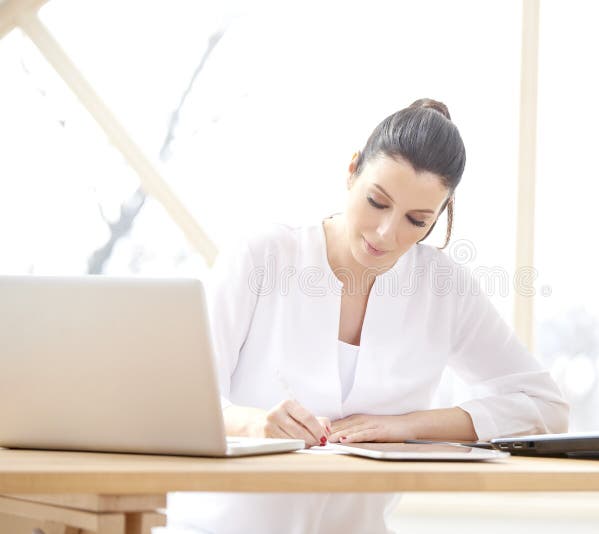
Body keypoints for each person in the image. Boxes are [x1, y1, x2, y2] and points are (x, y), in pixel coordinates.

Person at [165, 98, 569, 534]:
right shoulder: (263, 256)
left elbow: (545, 408)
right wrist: (254, 424)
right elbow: (178, 401)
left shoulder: (443, 289)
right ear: (353, 169)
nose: (386, 233)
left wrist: (405, 428)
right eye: (377, 202)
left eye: (416, 220)